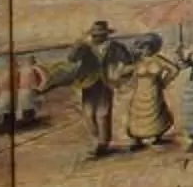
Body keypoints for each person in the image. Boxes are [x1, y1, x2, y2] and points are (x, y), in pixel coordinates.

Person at [64, 20, 128, 157]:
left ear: (106, 34)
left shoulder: (114, 46)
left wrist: (118, 74)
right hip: (88, 83)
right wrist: (79, 43)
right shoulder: (85, 47)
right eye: (95, 35)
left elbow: (127, 60)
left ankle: (103, 143)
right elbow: (71, 58)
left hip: (106, 82)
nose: (97, 37)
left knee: (103, 113)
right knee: (88, 114)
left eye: (100, 34)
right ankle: (95, 138)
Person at [121, 31, 181, 151]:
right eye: (142, 47)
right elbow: (123, 72)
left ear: (153, 48)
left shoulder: (158, 59)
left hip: (154, 90)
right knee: (138, 113)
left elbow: (174, 69)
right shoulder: (137, 61)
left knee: (156, 111)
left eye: (148, 47)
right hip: (140, 91)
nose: (145, 50)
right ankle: (137, 139)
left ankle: (157, 136)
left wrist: (164, 82)